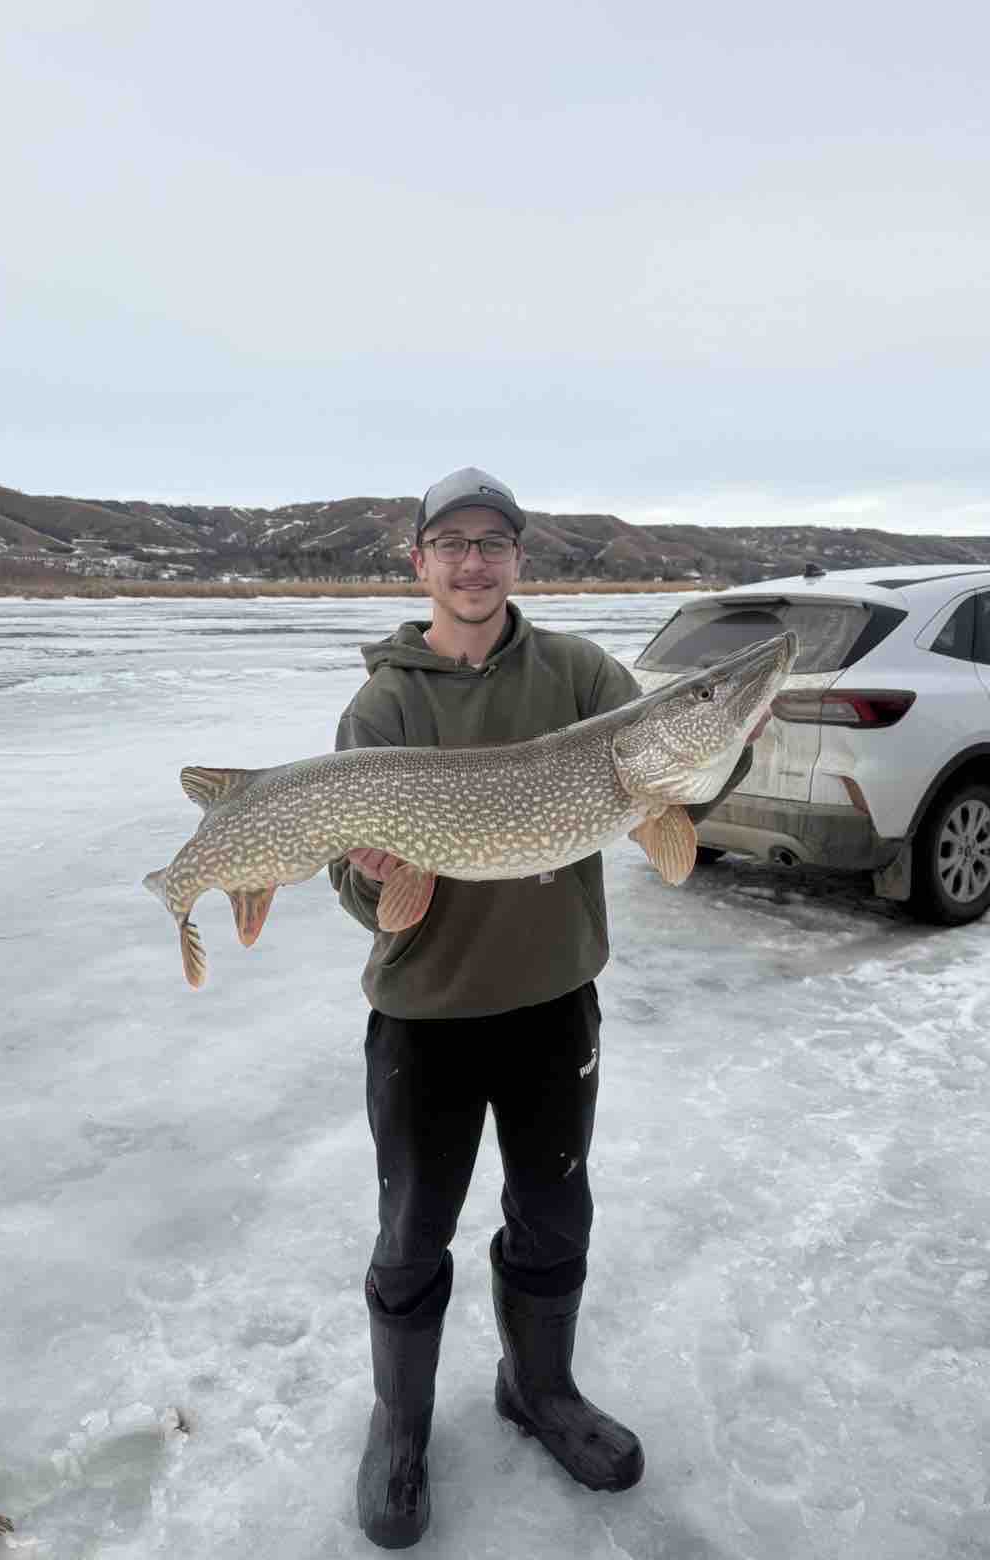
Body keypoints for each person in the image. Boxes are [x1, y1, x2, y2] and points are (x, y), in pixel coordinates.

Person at [329, 467, 756, 1548]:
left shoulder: (579, 674)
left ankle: (538, 1388)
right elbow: (352, 891)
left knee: (555, 1217)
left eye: (493, 543)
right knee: (413, 1232)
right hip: (426, 1016)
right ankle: (400, 1421)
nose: (473, 563)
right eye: (452, 543)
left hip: (553, 1005)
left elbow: (679, 777)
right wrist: (377, 874)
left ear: (518, 559)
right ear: (420, 561)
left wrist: (731, 726)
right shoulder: (386, 704)